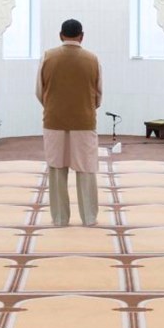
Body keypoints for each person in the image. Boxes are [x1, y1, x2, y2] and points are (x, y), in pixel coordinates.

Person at [37, 19, 102, 226]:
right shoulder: (93, 59)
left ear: (60, 35)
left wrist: (52, 106)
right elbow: (99, 94)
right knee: (86, 170)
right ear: (82, 36)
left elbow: (39, 91)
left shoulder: (47, 57)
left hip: (54, 121)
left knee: (57, 170)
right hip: (84, 122)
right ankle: (89, 218)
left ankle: (60, 219)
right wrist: (87, 108)